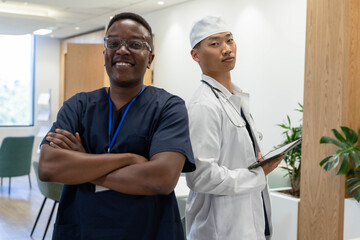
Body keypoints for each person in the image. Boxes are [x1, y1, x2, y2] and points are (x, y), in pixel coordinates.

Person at [38, 12, 195, 240]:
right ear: (105, 55)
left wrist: (83, 165)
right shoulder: (78, 106)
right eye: (113, 43)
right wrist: (131, 160)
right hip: (82, 229)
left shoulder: (169, 107)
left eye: (135, 44)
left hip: (148, 231)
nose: (122, 50)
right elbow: (48, 166)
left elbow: (161, 179)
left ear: (150, 59)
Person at [185, 16, 283, 240]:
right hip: (220, 231)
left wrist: (257, 163)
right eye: (215, 43)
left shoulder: (235, 98)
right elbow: (199, 177)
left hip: (247, 224)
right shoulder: (203, 105)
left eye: (229, 40)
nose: (226, 49)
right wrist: (258, 173)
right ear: (195, 55)